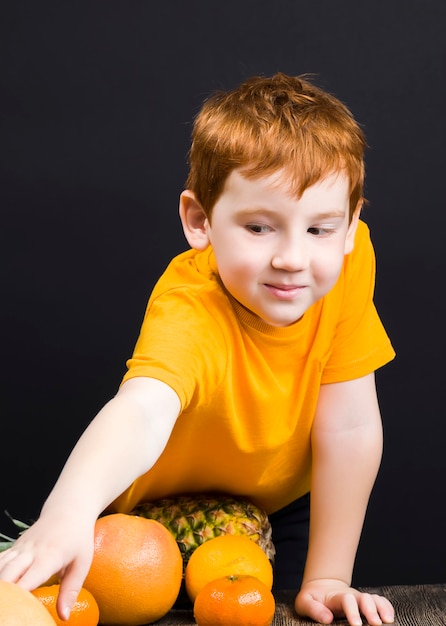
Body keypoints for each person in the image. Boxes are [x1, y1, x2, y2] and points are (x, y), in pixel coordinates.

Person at [0, 72, 395, 626]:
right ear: (199, 220)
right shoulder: (190, 306)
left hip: (277, 509)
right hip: (153, 526)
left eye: (320, 229)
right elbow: (142, 408)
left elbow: (350, 425)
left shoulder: (350, 264)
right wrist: (68, 512)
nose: (292, 258)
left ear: (351, 224)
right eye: (259, 228)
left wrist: (328, 576)